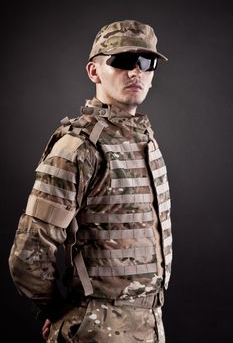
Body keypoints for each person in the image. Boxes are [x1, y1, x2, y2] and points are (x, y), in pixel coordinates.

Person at [8, 19, 172, 343]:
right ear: (94, 72)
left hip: (150, 327)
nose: (136, 72)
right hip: (95, 332)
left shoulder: (145, 141)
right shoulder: (79, 147)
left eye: (146, 62)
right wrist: (56, 311)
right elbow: (27, 256)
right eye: (123, 61)